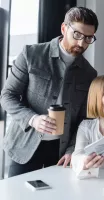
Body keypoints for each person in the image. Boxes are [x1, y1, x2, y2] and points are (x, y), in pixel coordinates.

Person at [0, 7, 98, 177]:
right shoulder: (31, 54)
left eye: (88, 38)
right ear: (63, 28)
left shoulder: (89, 74)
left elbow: (84, 119)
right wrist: (33, 119)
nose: (82, 43)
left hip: (60, 153)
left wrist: (73, 149)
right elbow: (7, 96)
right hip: (25, 147)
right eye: (77, 35)